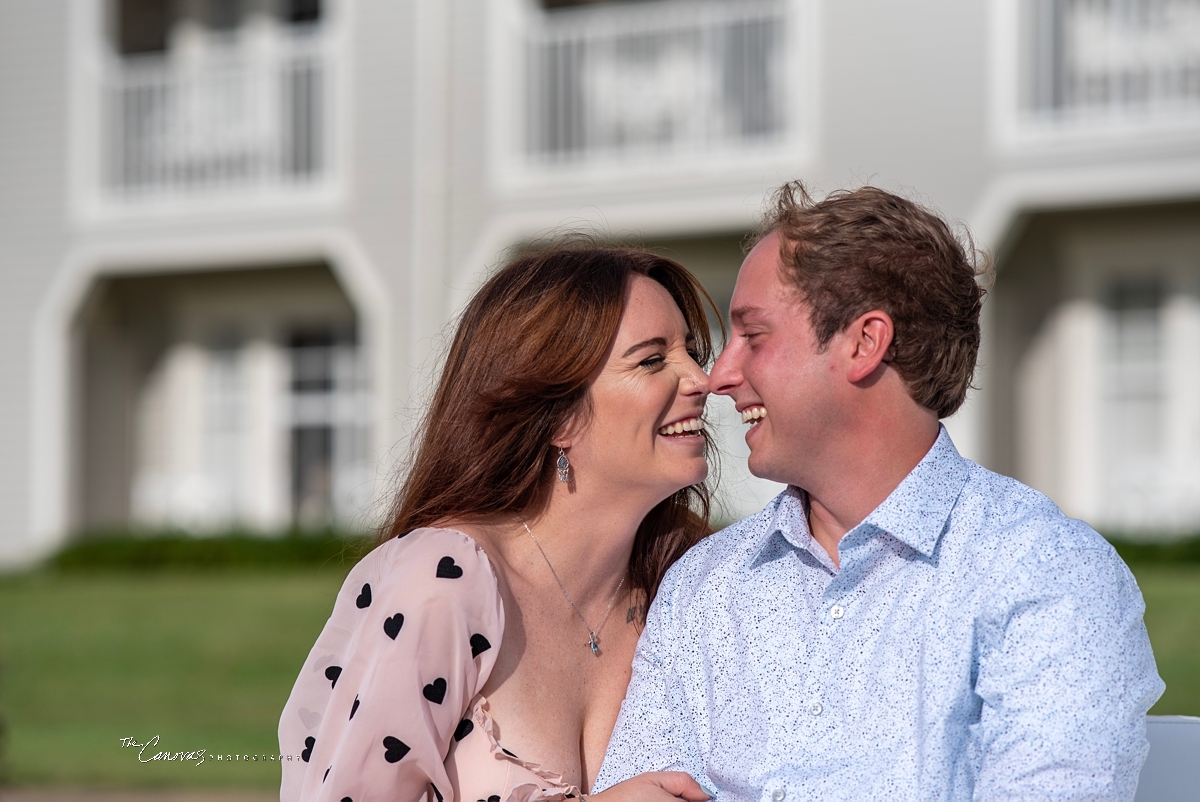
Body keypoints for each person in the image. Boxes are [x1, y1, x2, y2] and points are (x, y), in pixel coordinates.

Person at [596, 182, 1165, 799]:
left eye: (753, 337)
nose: (719, 376)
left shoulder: (1045, 573)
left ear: (865, 343)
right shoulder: (704, 586)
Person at [279, 243, 717, 801]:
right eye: (652, 360)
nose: (702, 379)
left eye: (692, 352)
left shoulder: (691, 588)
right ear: (558, 415)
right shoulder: (441, 580)